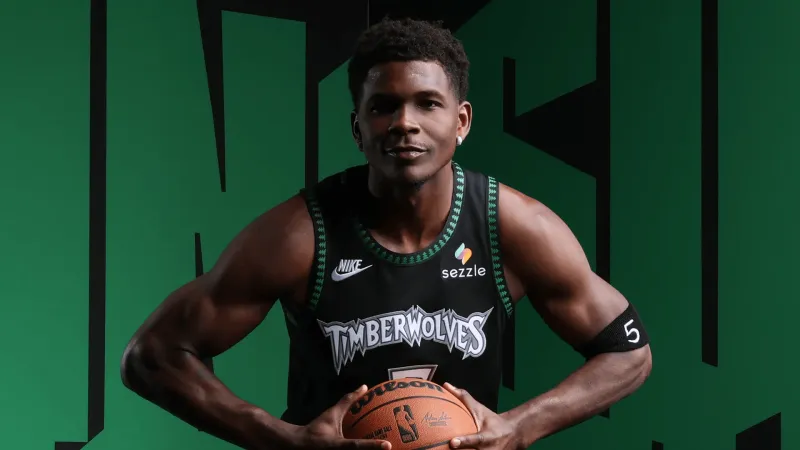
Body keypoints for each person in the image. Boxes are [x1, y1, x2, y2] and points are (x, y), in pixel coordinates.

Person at [121, 17, 652, 450]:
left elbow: (628, 353)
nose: (404, 123)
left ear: (462, 122)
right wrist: (282, 439)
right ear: (358, 128)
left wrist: (520, 426)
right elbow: (151, 355)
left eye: (428, 103)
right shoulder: (301, 235)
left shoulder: (511, 226)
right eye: (383, 106)